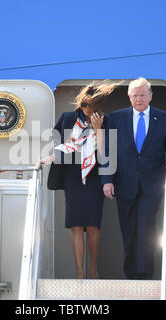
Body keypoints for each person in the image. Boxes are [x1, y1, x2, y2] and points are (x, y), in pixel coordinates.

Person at [102, 78, 166, 280]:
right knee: (128, 230)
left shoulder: (163, 118)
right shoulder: (116, 118)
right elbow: (108, 152)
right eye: (135, 95)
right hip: (124, 182)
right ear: (129, 97)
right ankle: (131, 274)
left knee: (147, 228)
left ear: (150, 96)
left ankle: (145, 274)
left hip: (151, 184)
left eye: (142, 95)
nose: (139, 99)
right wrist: (107, 180)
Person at [39, 82, 118, 279]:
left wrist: (98, 129)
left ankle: (92, 268)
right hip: (73, 176)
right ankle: (80, 271)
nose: (89, 111)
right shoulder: (67, 118)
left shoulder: (106, 121)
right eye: (86, 107)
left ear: (99, 108)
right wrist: (50, 158)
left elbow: (104, 154)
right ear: (82, 104)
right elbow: (58, 144)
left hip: (94, 176)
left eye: (93, 108)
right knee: (75, 225)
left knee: (92, 224)